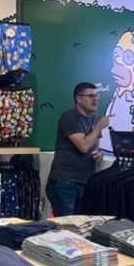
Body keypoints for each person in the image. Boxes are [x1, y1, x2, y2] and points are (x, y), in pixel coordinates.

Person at [45, 81, 109, 217]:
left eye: (96, 96)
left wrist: (99, 155)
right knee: (67, 225)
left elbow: (95, 148)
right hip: (64, 182)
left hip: (85, 181)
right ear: (79, 98)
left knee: (81, 225)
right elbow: (84, 147)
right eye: (90, 96)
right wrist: (98, 127)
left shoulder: (96, 118)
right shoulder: (69, 117)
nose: (95, 99)